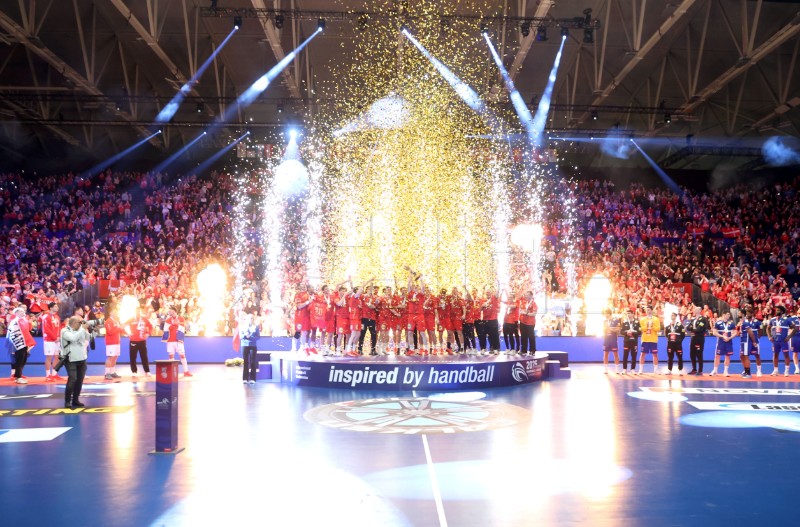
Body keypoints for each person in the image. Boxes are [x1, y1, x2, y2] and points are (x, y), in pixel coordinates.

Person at [60, 316, 91, 408]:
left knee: (80, 380)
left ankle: (75, 399)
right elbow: (73, 338)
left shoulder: (81, 330)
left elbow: (89, 338)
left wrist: (88, 330)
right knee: (72, 379)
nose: (81, 324)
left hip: (81, 359)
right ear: (73, 323)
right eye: (79, 322)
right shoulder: (65, 331)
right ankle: (67, 401)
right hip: (70, 359)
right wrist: (82, 329)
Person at [6, 307, 35, 384]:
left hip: (24, 343)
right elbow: (12, 333)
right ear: (16, 313)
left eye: (23, 311)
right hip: (18, 344)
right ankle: (18, 377)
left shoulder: (23, 320)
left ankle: (19, 375)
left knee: (23, 360)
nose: (23, 312)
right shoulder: (14, 321)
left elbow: (27, 331)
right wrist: (17, 343)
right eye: (21, 311)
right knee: (19, 360)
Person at [162, 306, 192, 377]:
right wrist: (173, 324)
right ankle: (171, 372)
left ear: (175, 311)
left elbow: (182, 328)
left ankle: (186, 371)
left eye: (171, 310)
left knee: (182, 355)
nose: (169, 312)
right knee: (171, 356)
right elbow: (166, 330)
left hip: (178, 340)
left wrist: (177, 324)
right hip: (170, 340)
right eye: (169, 310)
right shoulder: (168, 320)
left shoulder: (181, 318)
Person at [767, 305, 794, 377]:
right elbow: (767, 328)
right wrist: (769, 336)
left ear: (782, 312)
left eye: (778, 310)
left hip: (783, 341)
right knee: (775, 355)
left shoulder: (787, 320)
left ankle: (786, 371)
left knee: (786, 355)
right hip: (775, 341)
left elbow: (795, 328)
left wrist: (789, 337)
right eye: (776, 310)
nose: (777, 311)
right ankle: (775, 370)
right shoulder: (772, 320)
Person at [126, 306, 152, 378]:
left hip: (142, 340)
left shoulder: (144, 319)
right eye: (137, 311)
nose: (138, 312)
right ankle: (134, 371)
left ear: (141, 312)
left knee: (144, 356)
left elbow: (151, 327)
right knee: (133, 356)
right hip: (133, 340)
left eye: (139, 311)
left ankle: (147, 371)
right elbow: (124, 325)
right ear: (135, 312)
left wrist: (148, 333)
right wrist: (128, 333)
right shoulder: (131, 319)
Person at [40, 302, 63, 382]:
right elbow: (46, 329)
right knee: (49, 357)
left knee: (57, 357)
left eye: (57, 306)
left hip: (57, 340)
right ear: (50, 308)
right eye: (55, 306)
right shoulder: (46, 316)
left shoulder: (57, 316)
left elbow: (59, 327)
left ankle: (54, 374)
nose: (57, 308)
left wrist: (59, 337)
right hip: (49, 340)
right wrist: (54, 338)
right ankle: (47, 375)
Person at [710, 312, 737, 376]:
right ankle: (715, 370)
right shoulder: (718, 323)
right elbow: (714, 333)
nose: (729, 316)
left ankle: (725, 371)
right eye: (728, 314)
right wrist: (722, 336)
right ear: (723, 315)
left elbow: (735, 333)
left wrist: (729, 338)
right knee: (717, 356)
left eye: (729, 314)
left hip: (728, 342)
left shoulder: (732, 323)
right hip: (720, 342)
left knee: (727, 356)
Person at [738, 306, 762, 378]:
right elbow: (739, 331)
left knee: (756, 355)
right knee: (742, 355)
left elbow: (759, 330)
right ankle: (746, 370)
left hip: (752, 340)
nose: (748, 314)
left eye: (749, 313)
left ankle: (758, 370)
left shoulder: (756, 321)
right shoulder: (743, 321)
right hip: (745, 340)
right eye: (747, 313)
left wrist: (757, 338)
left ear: (752, 314)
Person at [238, 312, 260, 384]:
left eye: (252, 318)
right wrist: (245, 335)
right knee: (246, 362)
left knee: (253, 362)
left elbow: (258, 337)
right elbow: (240, 337)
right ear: (247, 319)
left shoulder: (256, 327)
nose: (251, 319)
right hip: (244, 345)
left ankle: (253, 379)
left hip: (253, 346)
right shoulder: (242, 327)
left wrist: (251, 337)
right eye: (249, 318)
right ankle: (245, 378)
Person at [687, 306, 710, 375]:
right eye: (694, 309)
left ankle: (700, 370)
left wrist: (692, 329)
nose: (694, 310)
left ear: (700, 310)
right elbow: (688, 328)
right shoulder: (693, 319)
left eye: (696, 309)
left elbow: (699, 329)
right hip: (693, 338)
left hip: (699, 338)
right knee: (692, 354)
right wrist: (693, 329)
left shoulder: (703, 319)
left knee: (699, 354)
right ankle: (694, 369)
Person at [638, 306, 661, 374]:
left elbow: (658, 329)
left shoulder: (656, 319)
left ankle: (656, 370)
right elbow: (641, 329)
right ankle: (641, 369)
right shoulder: (642, 319)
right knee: (642, 354)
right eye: (647, 310)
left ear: (652, 310)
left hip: (653, 339)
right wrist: (647, 325)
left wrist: (652, 325)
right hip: (645, 339)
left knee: (655, 354)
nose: (648, 311)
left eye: (649, 310)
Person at [103, 307, 123, 380]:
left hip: (117, 341)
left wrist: (121, 328)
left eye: (116, 312)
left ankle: (112, 372)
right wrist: (120, 328)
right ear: (110, 313)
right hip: (111, 342)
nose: (115, 314)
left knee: (115, 357)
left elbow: (119, 330)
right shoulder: (108, 321)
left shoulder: (116, 321)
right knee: (110, 357)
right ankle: (107, 373)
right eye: (114, 312)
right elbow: (110, 332)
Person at [620, 309, 640, 374]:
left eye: (630, 313)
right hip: (627, 341)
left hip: (634, 341)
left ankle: (633, 369)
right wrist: (626, 332)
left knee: (634, 355)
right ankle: (624, 369)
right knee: (625, 355)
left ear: (633, 314)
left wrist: (633, 332)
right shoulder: (624, 322)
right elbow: (621, 331)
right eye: (628, 313)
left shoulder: (637, 322)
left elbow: (639, 332)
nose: (629, 315)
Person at [519, 290, 537, 356]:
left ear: (531, 296)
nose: (526, 296)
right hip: (522, 321)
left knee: (531, 337)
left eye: (527, 295)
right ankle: (524, 350)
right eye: (525, 295)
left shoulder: (533, 304)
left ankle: (532, 350)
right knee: (523, 336)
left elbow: (534, 314)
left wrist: (526, 313)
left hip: (530, 323)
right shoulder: (524, 302)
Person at [602, 309, 620, 374]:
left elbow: (618, 329)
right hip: (606, 339)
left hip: (613, 339)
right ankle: (605, 369)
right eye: (605, 313)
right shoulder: (604, 321)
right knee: (606, 354)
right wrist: (606, 328)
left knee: (615, 354)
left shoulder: (616, 320)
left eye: (606, 313)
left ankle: (617, 369)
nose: (605, 315)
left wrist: (610, 328)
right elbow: (603, 329)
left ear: (609, 314)